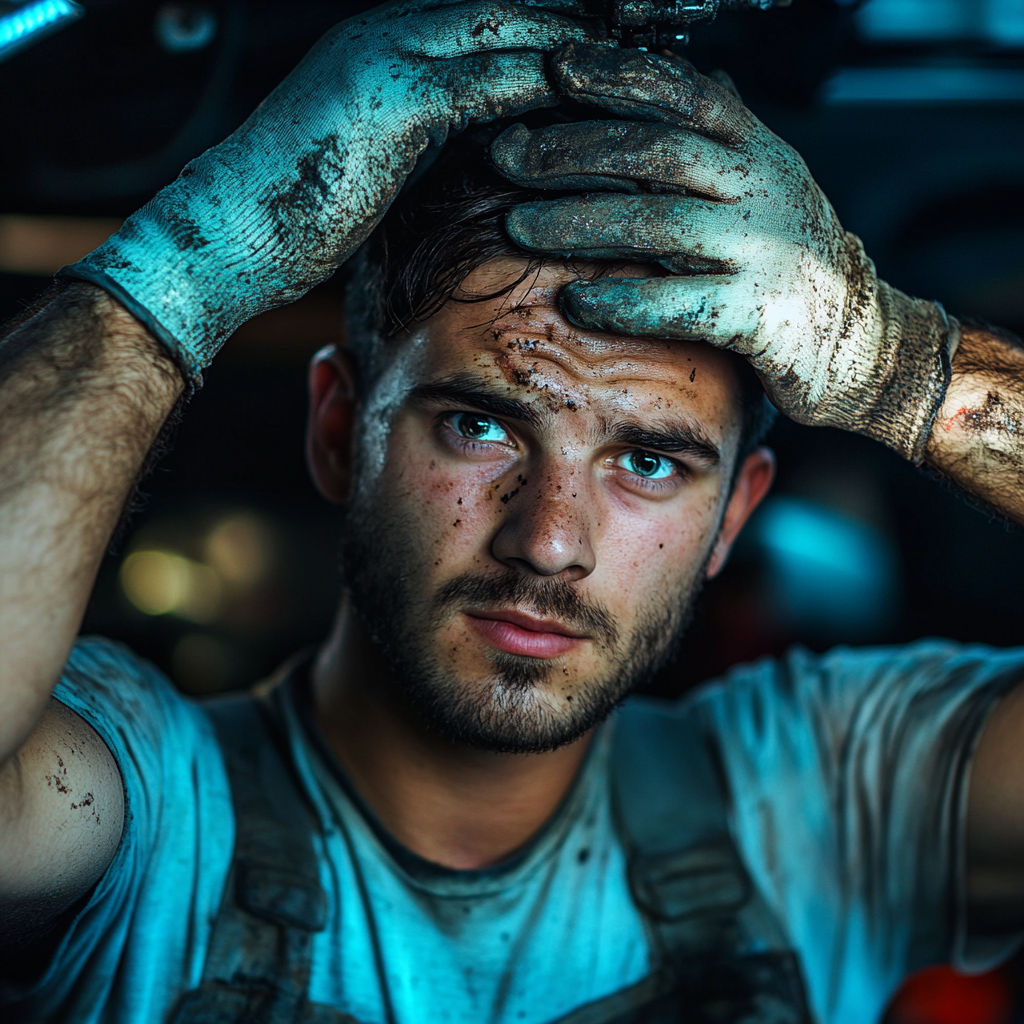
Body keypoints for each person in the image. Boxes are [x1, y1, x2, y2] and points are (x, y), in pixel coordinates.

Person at [3, 2, 1024, 1022]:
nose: (546, 540)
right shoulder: (146, 818)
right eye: (479, 429)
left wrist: (900, 365)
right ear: (336, 430)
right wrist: (183, 267)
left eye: (648, 461)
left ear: (731, 518)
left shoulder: (832, 802)